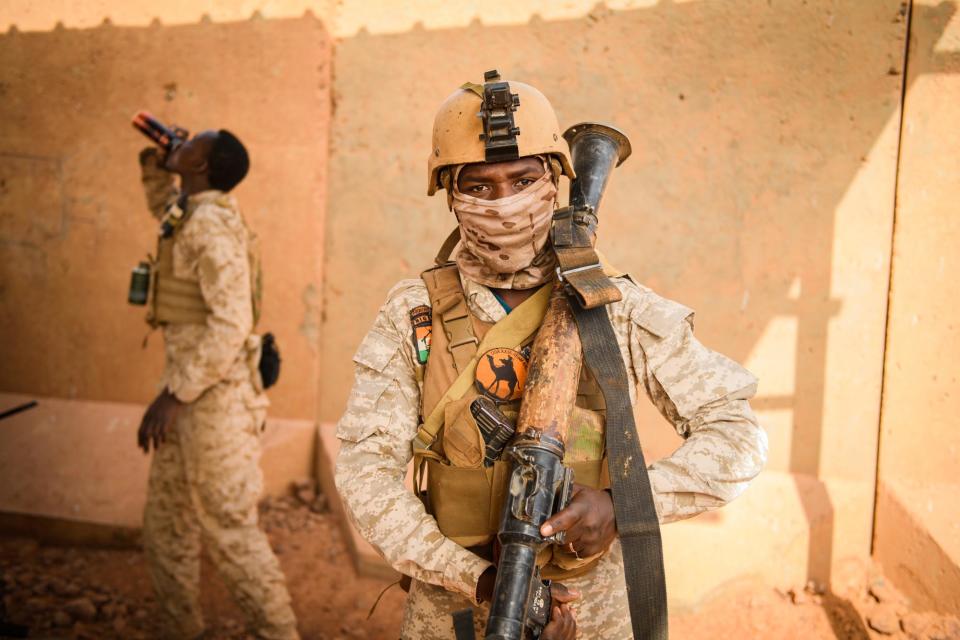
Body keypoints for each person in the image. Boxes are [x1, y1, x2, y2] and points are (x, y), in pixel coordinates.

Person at [334, 74, 768, 639]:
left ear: (556, 179)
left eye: (522, 178)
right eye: (480, 186)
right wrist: (476, 579)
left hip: (594, 606)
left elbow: (738, 436)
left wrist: (622, 505)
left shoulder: (617, 307)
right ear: (449, 192)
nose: (505, 202)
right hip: (455, 607)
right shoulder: (413, 313)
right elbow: (366, 473)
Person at [135, 129, 299, 640]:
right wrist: (157, 160)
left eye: (192, 145)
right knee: (166, 529)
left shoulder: (211, 226)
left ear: (203, 167)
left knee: (230, 530)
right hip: (189, 394)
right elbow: (165, 208)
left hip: (215, 401)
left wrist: (172, 396)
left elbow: (231, 324)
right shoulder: (194, 210)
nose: (183, 140)